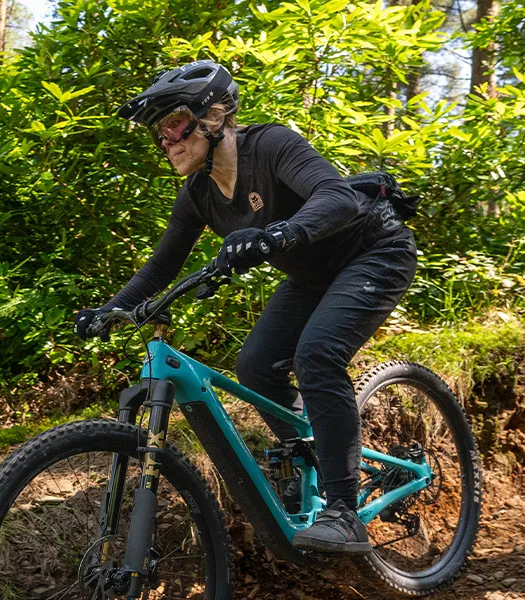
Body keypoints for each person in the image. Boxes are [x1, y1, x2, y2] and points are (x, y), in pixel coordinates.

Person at [73, 59, 418, 554]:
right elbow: (160, 267)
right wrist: (109, 311)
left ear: (213, 116)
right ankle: (315, 453)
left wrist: (277, 233)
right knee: (255, 366)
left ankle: (344, 514)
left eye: (173, 123)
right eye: (159, 132)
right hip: (311, 275)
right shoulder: (197, 195)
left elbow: (337, 197)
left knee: (317, 355)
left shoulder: (271, 145)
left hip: (374, 252)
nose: (166, 140)